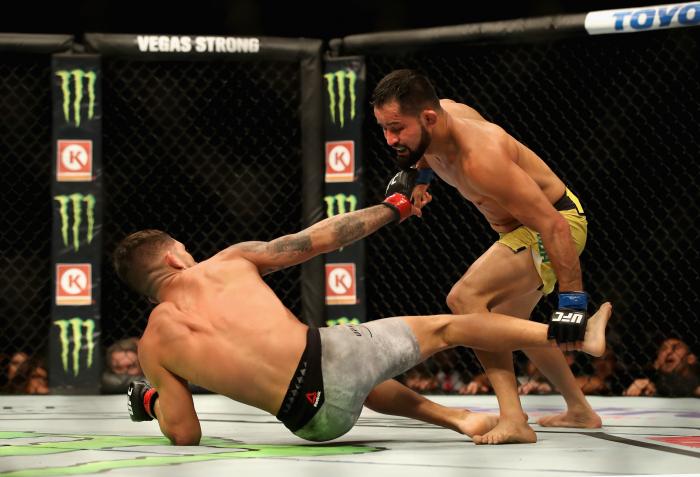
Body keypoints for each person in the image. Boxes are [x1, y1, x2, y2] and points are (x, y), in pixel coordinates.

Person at [113, 186, 612, 446]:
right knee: (449, 324)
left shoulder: (152, 347)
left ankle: (458, 417)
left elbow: (185, 434)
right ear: (177, 258)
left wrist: (153, 399)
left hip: (313, 423)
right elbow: (323, 237)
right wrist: (394, 207)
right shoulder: (226, 263)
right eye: (185, 249)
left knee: (353, 375)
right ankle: (570, 332)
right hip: (332, 361)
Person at [371, 69, 601, 444]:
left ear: (428, 118)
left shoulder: (482, 159)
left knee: (465, 298)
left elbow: (553, 226)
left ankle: (514, 418)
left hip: (557, 223)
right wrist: (421, 182)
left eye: (396, 129)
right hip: (521, 230)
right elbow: (424, 154)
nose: (389, 139)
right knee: (512, 325)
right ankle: (580, 410)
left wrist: (572, 302)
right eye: (383, 128)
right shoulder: (436, 121)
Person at [624, 338, 700, 397]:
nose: (668, 352)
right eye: (664, 349)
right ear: (656, 363)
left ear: (691, 359)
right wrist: (631, 394)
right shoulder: (648, 389)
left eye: (675, 348)